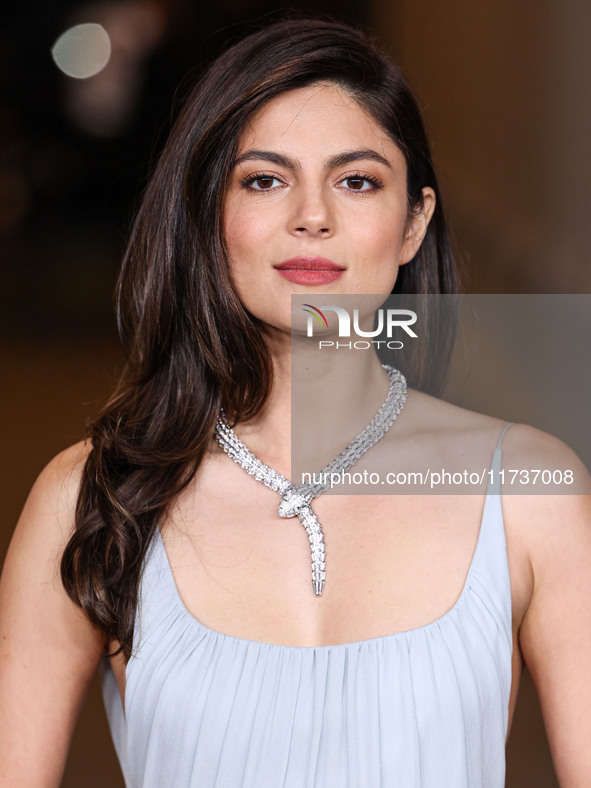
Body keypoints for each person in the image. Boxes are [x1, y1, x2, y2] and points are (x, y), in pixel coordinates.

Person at [1, 17, 590, 788]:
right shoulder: (91, 497)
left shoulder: (528, 493)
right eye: (264, 180)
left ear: (412, 223)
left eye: (356, 181)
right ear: (210, 218)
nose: (311, 216)